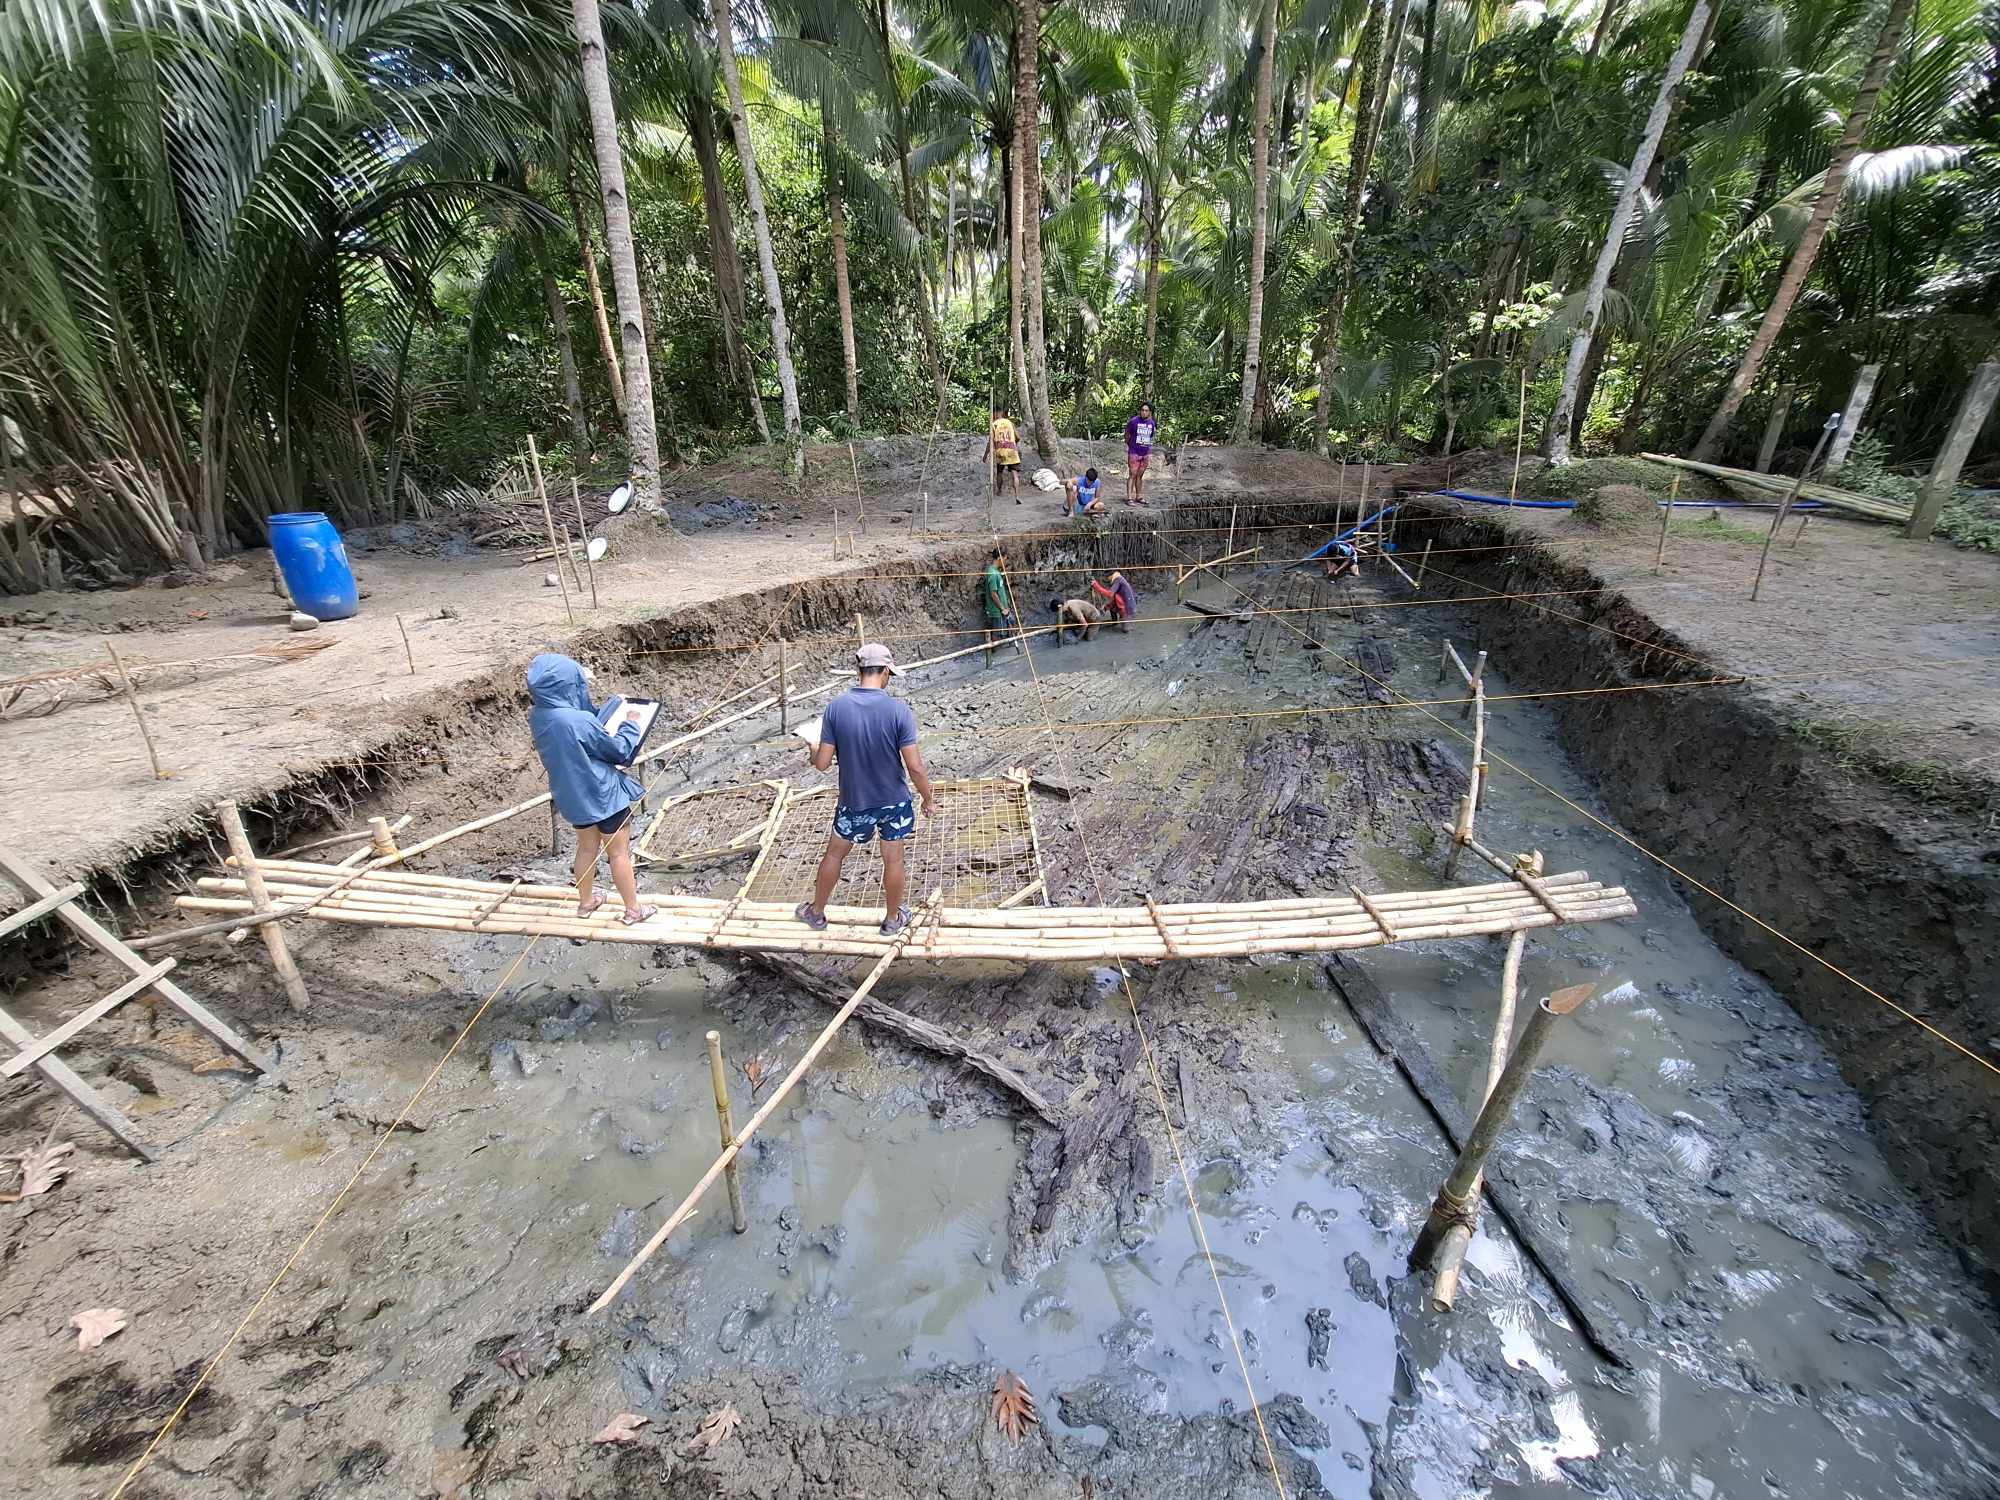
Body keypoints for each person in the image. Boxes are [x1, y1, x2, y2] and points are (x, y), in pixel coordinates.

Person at [795, 644, 938, 937]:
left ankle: (817, 912)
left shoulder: (836, 708)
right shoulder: (899, 710)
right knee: (894, 858)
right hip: (894, 802)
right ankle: (892, 919)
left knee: (835, 855)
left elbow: (822, 764)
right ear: (885, 671)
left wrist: (812, 747)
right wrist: (927, 799)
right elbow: (916, 767)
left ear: (858, 671)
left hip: (854, 802)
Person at [526, 652, 656, 925]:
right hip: (603, 795)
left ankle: (586, 903)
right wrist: (630, 722)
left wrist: (609, 707)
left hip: (573, 797)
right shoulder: (577, 721)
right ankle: (634, 909)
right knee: (618, 853)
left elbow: (581, 731)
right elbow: (619, 750)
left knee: (586, 849)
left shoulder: (538, 715)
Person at [982, 545, 1016, 653]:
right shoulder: (992, 573)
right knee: (997, 634)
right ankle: (992, 655)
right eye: (1005, 559)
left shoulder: (996, 571)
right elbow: (993, 594)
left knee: (1011, 622)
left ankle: (1007, 649)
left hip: (1002, 609)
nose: (1005, 562)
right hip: (997, 611)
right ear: (1000, 558)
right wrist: (1002, 609)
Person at [984, 404, 1022, 499]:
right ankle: (1017, 495)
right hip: (1012, 451)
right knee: (1015, 474)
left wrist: (985, 455)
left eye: (992, 414)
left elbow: (990, 442)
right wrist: (1013, 444)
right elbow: (1018, 437)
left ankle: (999, 491)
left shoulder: (994, 425)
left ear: (996, 413)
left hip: (1001, 451)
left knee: (999, 472)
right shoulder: (1009, 423)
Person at [1125, 402, 1157, 505]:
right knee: (1132, 475)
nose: (1144, 412)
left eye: (1146, 410)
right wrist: (1130, 445)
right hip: (1134, 452)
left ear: (1150, 412)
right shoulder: (1134, 421)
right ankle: (1129, 498)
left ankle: (1138, 496)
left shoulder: (1152, 423)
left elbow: (1151, 436)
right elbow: (1127, 434)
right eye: (1142, 410)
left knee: (1140, 475)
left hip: (1145, 453)